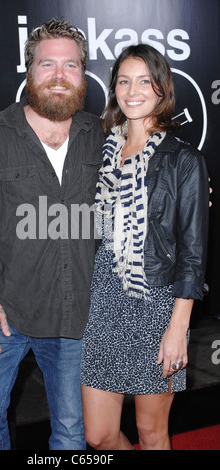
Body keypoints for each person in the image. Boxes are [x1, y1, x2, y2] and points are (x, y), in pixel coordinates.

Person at [0, 19, 105, 450]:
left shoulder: (101, 136)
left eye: (70, 66)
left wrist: (188, 191)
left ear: (83, 73)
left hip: (75, 315)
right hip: (4, 311)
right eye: (47, 64)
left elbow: (148, 179)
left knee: (72, 433)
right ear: (28, 71)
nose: (59, 75)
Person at [80, 44, 209, 450]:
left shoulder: (182, 160)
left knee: (153, 434)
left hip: (155, 304)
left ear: (161, 89)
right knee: (98, 435)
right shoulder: (102, 153)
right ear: (114, 88)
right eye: (123, 81)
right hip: (103, 300)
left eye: (144, 81)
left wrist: (178, 329)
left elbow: (192, 253)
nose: (132, 91)